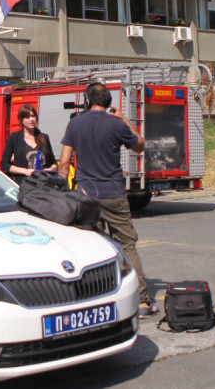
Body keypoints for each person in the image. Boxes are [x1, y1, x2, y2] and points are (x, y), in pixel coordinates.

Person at [57, 83, 154, 318]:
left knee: (92, 247)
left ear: (88, 99)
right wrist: (124, 120)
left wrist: (62, 190)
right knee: (127, 245)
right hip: (114, 193)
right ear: (108, 101)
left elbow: (64, 161)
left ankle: (96, 297)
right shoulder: (116, 124)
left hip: (86, 195)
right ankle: (141, 302)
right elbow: (139, 145)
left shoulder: (75, 123)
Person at [0, 104, 57, 183]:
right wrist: (25, 171)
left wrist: (49, 170)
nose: (31, 119)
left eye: (33, 116)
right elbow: (4, 165)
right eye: (27, 117)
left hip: (43, 185)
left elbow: (54, 163)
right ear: (21, 120)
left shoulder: (44, 137)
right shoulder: (14, 138)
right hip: (24, 185)